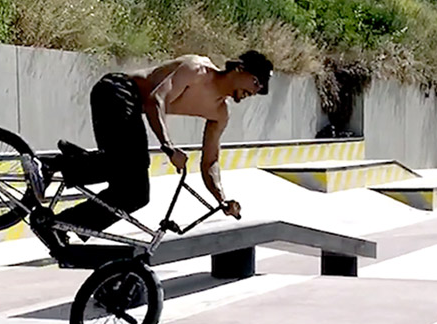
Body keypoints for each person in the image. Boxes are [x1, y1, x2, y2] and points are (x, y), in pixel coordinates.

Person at [37, 51, 273, 249]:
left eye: (260, 89)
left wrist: (221, 198)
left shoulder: (220, 113)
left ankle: (60, 224)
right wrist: (169, 147)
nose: (255, 91)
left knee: (136, 193)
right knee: (132, 163)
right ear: (239, 69)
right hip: (117, 90)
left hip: (131, 109)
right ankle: (50, 165)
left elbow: (210, 161)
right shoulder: (196, 69)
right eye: (255, 82)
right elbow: (155, 100)